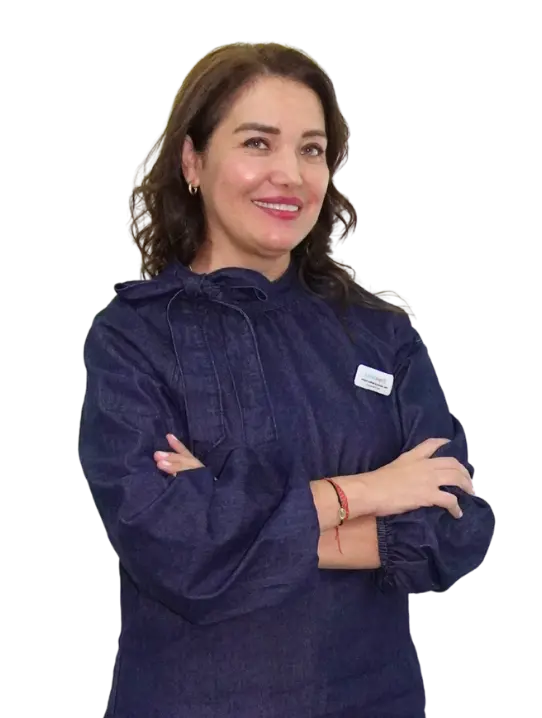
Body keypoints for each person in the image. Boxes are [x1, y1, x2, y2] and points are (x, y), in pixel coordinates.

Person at [79, 41, 495, 718]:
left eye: (311, 150)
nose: (290, 175)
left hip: (374, 700)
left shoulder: (381, 335)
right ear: (192, 161)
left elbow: (456, 528)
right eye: (257, 143)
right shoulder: (132, 339)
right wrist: (369, 491)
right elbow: (175, 550)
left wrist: (236, 522)